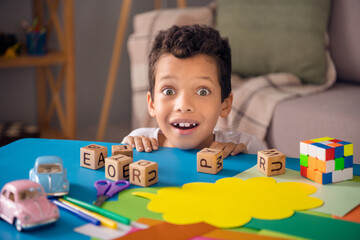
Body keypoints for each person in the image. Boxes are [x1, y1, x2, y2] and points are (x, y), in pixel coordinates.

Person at [122, 25, 266, 157]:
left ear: (225, 104)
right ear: (152, 104)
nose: (184, 105)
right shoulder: (136, 143)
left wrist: (246, 164)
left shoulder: (249, 148)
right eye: (168, 91)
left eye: (202, 91)